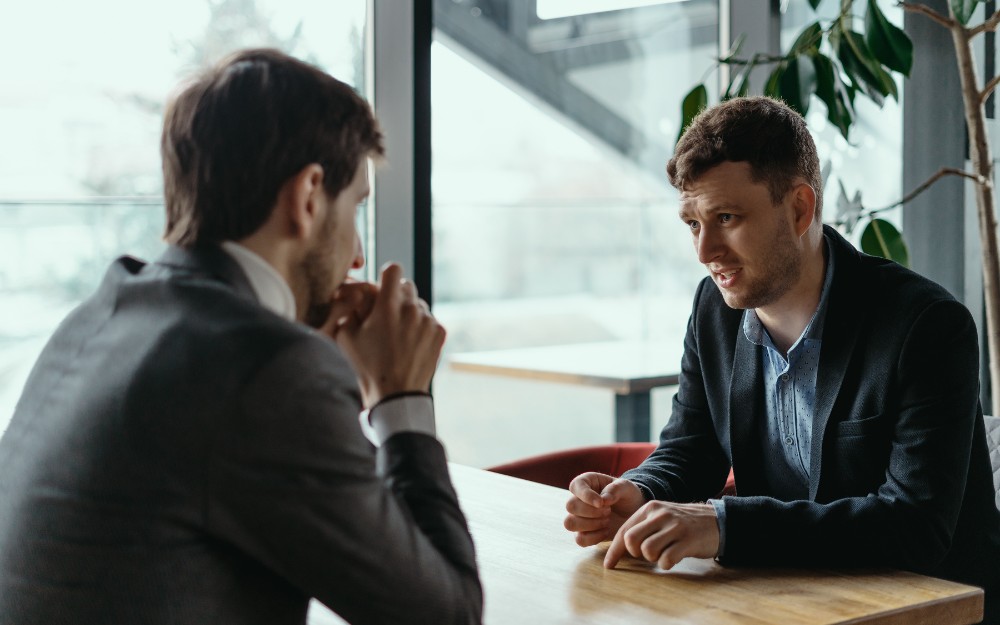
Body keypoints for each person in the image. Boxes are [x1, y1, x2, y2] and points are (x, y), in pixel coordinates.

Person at [0, 48, 482, 625]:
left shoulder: (98, 317)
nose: (357, 255)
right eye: (355, 206)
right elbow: (447, 616)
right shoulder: (266, 372)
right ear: (308, 196)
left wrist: (304, 363)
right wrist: (401, 398)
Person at [564, 96, 1000, 623]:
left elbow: (915, 526)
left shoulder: (926, 326)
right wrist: (638, 491)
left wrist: (725, 526)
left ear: (799, 208)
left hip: (929, 611)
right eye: (693, 224)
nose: (705, 252)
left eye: (727, 217)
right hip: (791, 601)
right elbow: (692, 448)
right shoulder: (714, 310)